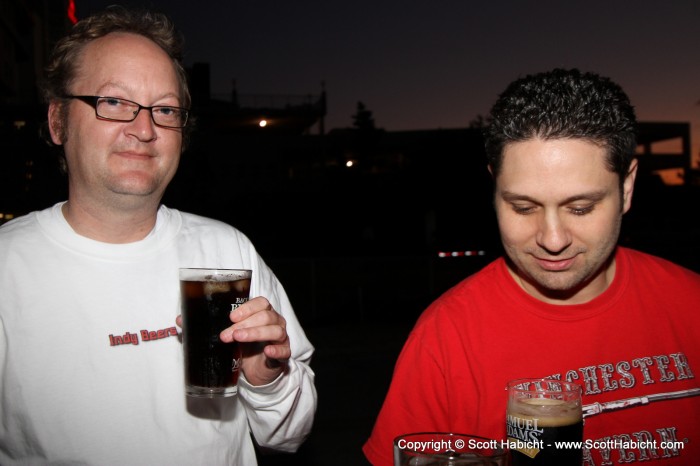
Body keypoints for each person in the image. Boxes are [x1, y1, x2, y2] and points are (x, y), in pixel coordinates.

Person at [0, 6, 316, 465]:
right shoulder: (7, 267)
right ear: (58, 122)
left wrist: (266, 378)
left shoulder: (227, 250)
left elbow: (290, 435)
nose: (145, 129)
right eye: (113, 102)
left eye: (165, 109)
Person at [363, 68, 700, 465]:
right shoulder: (446, 338)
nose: (552, 240)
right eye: (523, 207)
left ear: (626, 188)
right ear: (494, 188)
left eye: (581, 207)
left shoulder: (691, 304)